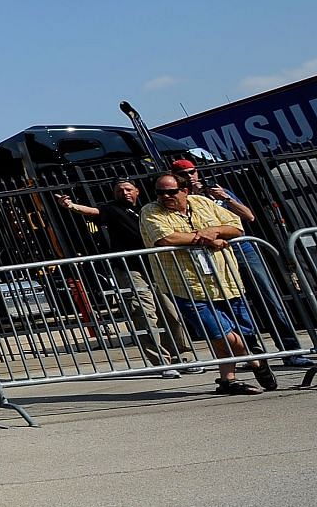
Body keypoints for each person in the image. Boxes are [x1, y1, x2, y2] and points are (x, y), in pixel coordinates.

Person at [139, 173, 274, 394]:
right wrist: (208, 239)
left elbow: (236, 226)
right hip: (187, 285)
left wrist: (215, 230)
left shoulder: (202, 202)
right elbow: (166, 238)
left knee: (237, 331)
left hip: (225, 280)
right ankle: (257, 361)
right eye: (160, 192)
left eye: (171, 192)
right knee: (219, 332)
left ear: (184, 190)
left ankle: (228, 379)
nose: (165, 196)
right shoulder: (151, 211)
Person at [170, 159, 309, 363]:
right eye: (183, 174)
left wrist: (226, 198)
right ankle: (251, 352)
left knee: (268, 297)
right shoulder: (180, 200)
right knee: (233, 304)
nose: (189, 176)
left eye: (192, 172)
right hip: (214, 256)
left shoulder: (216, 191)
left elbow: (249, 217)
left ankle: (291, 350)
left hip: (241, 250)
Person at [57, 179, 191, 373]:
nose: (124, 192)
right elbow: (92, 212)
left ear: (137, 190)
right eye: (119, 190)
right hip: (129, 267)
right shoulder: (112, 209)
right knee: (144, 313)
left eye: (128, 189)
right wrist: (70, 205)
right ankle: (162, 362)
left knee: (171, 312)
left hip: (157, 265)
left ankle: (182, 356)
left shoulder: (151, 208)